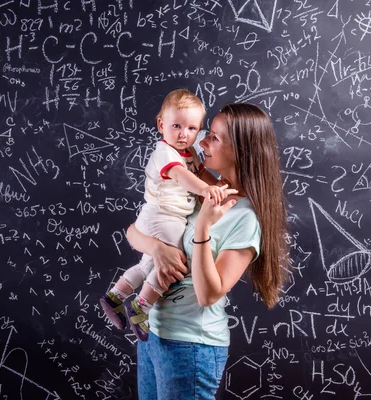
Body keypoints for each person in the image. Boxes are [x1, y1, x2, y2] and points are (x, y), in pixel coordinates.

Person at [125, 103, 290, 399]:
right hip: (154, 333)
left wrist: (202, 229)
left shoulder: (245, 218)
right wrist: (158, 249)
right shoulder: (202, 189)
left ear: (240, 149)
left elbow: (208, 294)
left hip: (190, 346)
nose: (201, 142)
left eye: (214, 137)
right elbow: (134, 231)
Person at [100, 89, 226, 341]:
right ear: (161, 125)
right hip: (162, 216)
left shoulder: (188, 153)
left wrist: (221, 187)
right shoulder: (165, 153)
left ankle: (115, 295)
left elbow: (202, 175)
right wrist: (206, 190)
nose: (183, 134)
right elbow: (183, 176)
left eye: (191, 128)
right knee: (177, 259)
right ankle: (141, 306)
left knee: (149, 263)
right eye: (176, 126)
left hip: (162, 217)